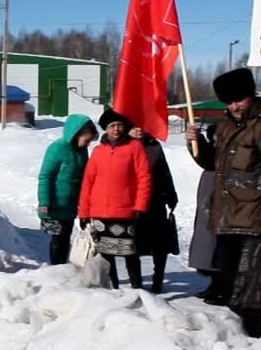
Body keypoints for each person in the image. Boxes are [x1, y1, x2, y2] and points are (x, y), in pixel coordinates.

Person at [185, 68, 261, 339]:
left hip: (254, 215)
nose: (234, 106)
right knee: (232, 284)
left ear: (251, 94)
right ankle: (243, 340)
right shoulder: (225, 125)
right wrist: (195, 143)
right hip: (227, 215)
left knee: (255, 285)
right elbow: (212, 164)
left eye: (239, 100)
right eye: (229, 101)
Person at [79, 110, 151, 289]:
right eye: (112, 126)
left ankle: (137, 289)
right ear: (105, 129)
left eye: (119, 125)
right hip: (99, 212)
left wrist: (140, 206)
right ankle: (113, 290)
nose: (116, 129)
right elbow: (88, 182)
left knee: (130, 253)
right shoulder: (97, 151)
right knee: (105, 255)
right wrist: (84, 212)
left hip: (126, 211)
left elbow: (144, 178)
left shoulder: (135, 147)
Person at [38, 114, 98, 265]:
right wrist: (44, 201)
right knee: (58, 240)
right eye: (86, 140)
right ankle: (56, 269)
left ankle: (61, 269)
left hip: (70, 204)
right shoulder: (57, 148)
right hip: (54, 204)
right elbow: (45, 176)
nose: (87, 144)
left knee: (66, 238)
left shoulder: (82, 151)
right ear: (77, 134)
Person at [128, 126, 178, 293]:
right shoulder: (122, 145)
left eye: (142, 126)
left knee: (159, 245)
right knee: (133, 244)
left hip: (155, 201)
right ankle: (136, 284)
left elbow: (164, 172)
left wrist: (171, 194)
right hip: (131, 203)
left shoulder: (154, 146)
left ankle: (158, 281)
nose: (140, 130)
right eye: (135, 126)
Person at [187, 124, 223, 301]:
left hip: (228, 196)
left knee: (219, 243)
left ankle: (222, 285)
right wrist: (195, 140)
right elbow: (206, 158)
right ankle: (216, 283)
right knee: (209, 242)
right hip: (210, 192)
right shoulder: (212, 157)